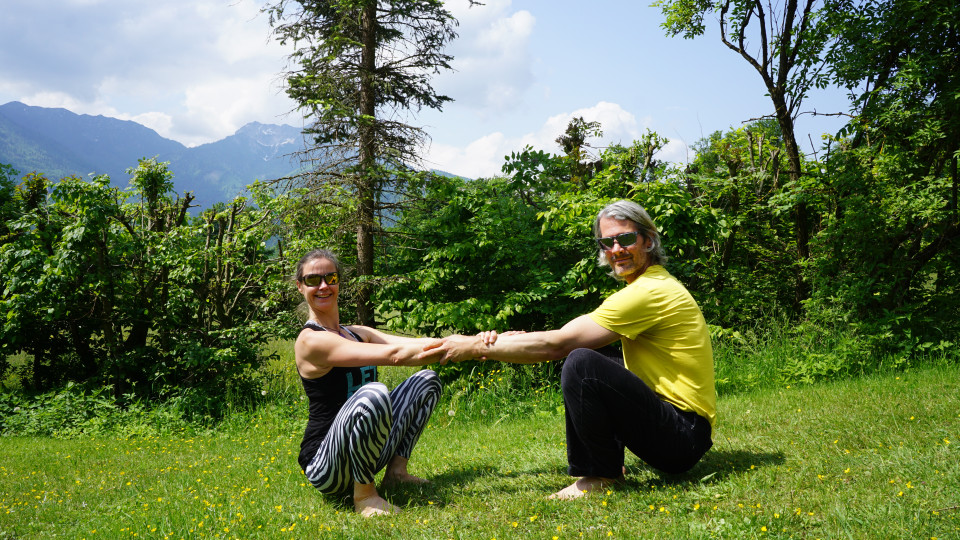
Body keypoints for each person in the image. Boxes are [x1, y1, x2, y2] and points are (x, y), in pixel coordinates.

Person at [419, 200, 716, 500]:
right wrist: (516, 340)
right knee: (597, 358)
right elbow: (562, 339)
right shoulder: (651, 285)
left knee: (581, 363)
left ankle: (601, 475)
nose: (616, 250)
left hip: (682, 437)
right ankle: (610, 463)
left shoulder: (648, 292)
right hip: (684, 431)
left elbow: (559, 344)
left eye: (626, 239)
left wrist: (473, 345)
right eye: (607, 242)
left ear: (648, 240)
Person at [293, 248, 445, 517]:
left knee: (427, 381)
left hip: (367, 452)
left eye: (331, 277)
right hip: (327, 466)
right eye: (313, 280)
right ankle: (364, 496)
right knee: (373, 393)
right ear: (300, 286)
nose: (324, 286)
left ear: (339, 281)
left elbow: (421, 345)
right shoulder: (311, 340)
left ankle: (397, 473)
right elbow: (395, 355)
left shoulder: (356, 333)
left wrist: (482, 341)